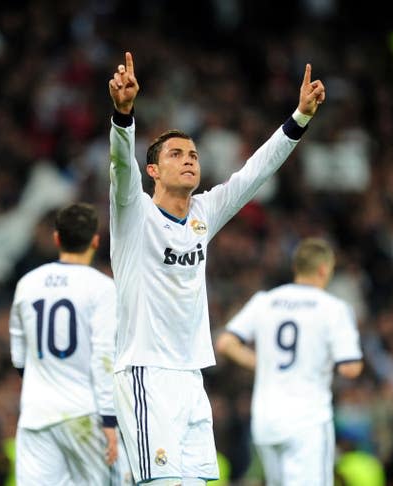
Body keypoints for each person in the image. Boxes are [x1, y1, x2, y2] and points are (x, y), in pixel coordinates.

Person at [107, 51, 326, 485]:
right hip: (146, 372)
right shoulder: (133, 212)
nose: (189, 159)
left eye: (193, 154)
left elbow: (254, 173)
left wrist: (299, 117)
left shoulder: (203, 213)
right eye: (176, 154)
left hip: (190, 375)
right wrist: (123, 114)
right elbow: (119, 165)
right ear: (152, 170)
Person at [215, 238, 364, 486]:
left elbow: (226, 343)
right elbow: (350, 368)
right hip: (307, 421)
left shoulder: (265, 301)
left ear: (296, 267)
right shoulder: (333, 308)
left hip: (266, 422)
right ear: (324, 269)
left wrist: (262, 363)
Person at [9, 202, 132, 485]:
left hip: (35, 415)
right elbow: (103, 358)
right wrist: (109, 421)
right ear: (95, 241)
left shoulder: (28, 283)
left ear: (56, 239)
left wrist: (43, 385)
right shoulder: (101, 287)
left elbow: (18, 356)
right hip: (82, 413)